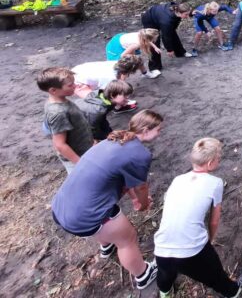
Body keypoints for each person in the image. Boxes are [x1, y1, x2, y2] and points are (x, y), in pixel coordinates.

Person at [51, 110, 164, 290]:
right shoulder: (140, 154)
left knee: (106, 224)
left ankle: (106, 245)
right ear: (145, 130)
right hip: (85, 216)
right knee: (128, 239)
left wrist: (134, 198)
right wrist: (142, 204)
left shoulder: (111, 141)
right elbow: (141, 187)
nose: (160, 133)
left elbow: (125, 180)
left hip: (62, 207)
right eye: (158, 129)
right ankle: (143, 275)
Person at [154, 138, 242, 298]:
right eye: (218, 159)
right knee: (215, 275)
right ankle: (234, 291)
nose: (219, 161)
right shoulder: (215, 183)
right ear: (211, 162)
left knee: (165, 273)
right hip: (191, 250)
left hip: (161, 246)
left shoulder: (178, 179)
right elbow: (214, 220)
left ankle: (165, 292)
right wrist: (210, 240)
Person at [38, 67, 93, 174]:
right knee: (82, 182)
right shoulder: (58, 112)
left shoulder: (61, 100)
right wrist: (80, 163)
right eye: (70, 85)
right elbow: (59, 144)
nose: (75, 86)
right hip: (77, 158)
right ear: (53, 90)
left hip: (84, 149)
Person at [141, 2, 194, 73]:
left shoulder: (177, 7)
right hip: (149, 19)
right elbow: (166, 37)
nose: (187, 16)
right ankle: (154, 67)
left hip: (160, 15)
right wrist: (169, 49)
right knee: (154, 42)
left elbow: (171, 32)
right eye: (186, 15)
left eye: (188, 14)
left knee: (172, 32)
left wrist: (191, 13)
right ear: (179, 12)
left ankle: (180, 52)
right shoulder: (167, 21)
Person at [72, 56, 145, 90]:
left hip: (79, 69)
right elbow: (106, 91)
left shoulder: (117, 63)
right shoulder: (110, 78)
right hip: (77, 81)